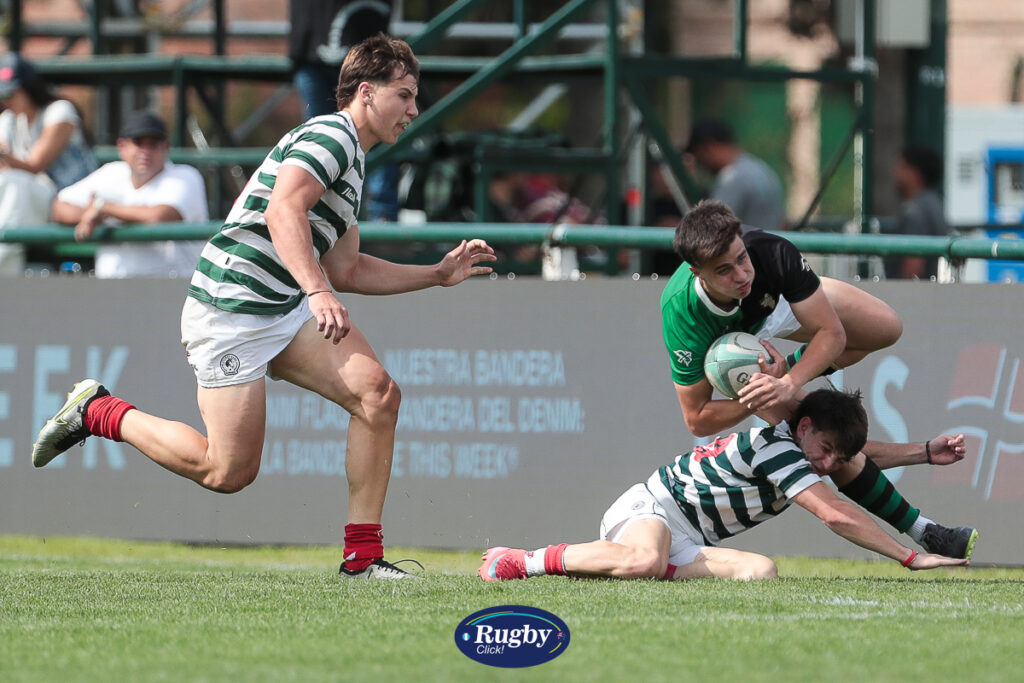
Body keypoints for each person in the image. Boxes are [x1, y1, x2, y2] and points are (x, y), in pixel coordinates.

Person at [31, 35, 496, 579]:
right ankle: (97, 410)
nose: (414, 110)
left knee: (378, 397)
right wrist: (317, 291)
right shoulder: (332, 136)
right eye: (405, 95)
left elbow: (347, 269)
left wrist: (436, 275)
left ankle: (362, 561)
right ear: (367, 93)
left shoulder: (353, 158)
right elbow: (282, 212)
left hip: (281, 306)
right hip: (231, 306)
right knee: (226, 471)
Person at [662, 199, 976, 558]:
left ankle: (923, 519)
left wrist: (787, 380)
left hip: (776, 303)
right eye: (724, 270)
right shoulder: (682, 314)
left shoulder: (772, 252)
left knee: (886, 327)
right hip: (728, 346)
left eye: (742, 258)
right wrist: (763, 393)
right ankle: (925, 531)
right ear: (696, 272)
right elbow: (697, 418)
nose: (742, 274)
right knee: (820, 436)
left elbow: (833, 335)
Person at [479, 390, 973, 582]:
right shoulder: (778, 448)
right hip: (651, 509)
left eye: (835, 458)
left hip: (690, 539)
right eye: (824, 449)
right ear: (803, 427)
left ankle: (636, 568)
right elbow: (835, 514)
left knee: (761, 572)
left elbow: (858, 458)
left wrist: (925, 452)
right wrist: (909, 557)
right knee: (644, 559)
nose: (827, 465)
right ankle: (522, 560)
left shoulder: (805, 448)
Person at [50, 110, 209, 278]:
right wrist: (93, 214)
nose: (145, 151)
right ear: (122, 147)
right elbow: (59, 208)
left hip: (175, 286)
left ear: (166, 147)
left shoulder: (185, 175)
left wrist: (104, 208)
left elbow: (159, 216)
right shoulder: (111, 172)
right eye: (138, 143)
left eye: (153, 144)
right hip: (113, 287)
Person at [288, 0, 399, 223]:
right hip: (313, 53)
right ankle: (323, 214)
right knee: (322, 145)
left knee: (378, 136)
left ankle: (381, 217)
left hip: (367, 54)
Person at [0, 52, 96, 275]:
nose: (7, 99)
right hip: (32, 204)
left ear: (29, 88)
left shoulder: (60, 111)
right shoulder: (8, 120)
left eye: (12, 91)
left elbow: (35, 164)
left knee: (14, 183)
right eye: (3, 93)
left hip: (70, 201)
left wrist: (3, 154)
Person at [684, 118, 786, 231]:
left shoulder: (732, 177)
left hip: (748, 242)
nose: (702, 165)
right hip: (770, 240)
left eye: (700, 157)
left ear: (709, 147)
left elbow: (710, 229)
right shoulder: (761, 168)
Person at [884, 145, 951, 281]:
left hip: (916, 291)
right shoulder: (934, 203)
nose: (896, 172)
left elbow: (913, 270)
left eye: (902, 167)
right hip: (933, 288)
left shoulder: (916, 210)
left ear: (915, 174)